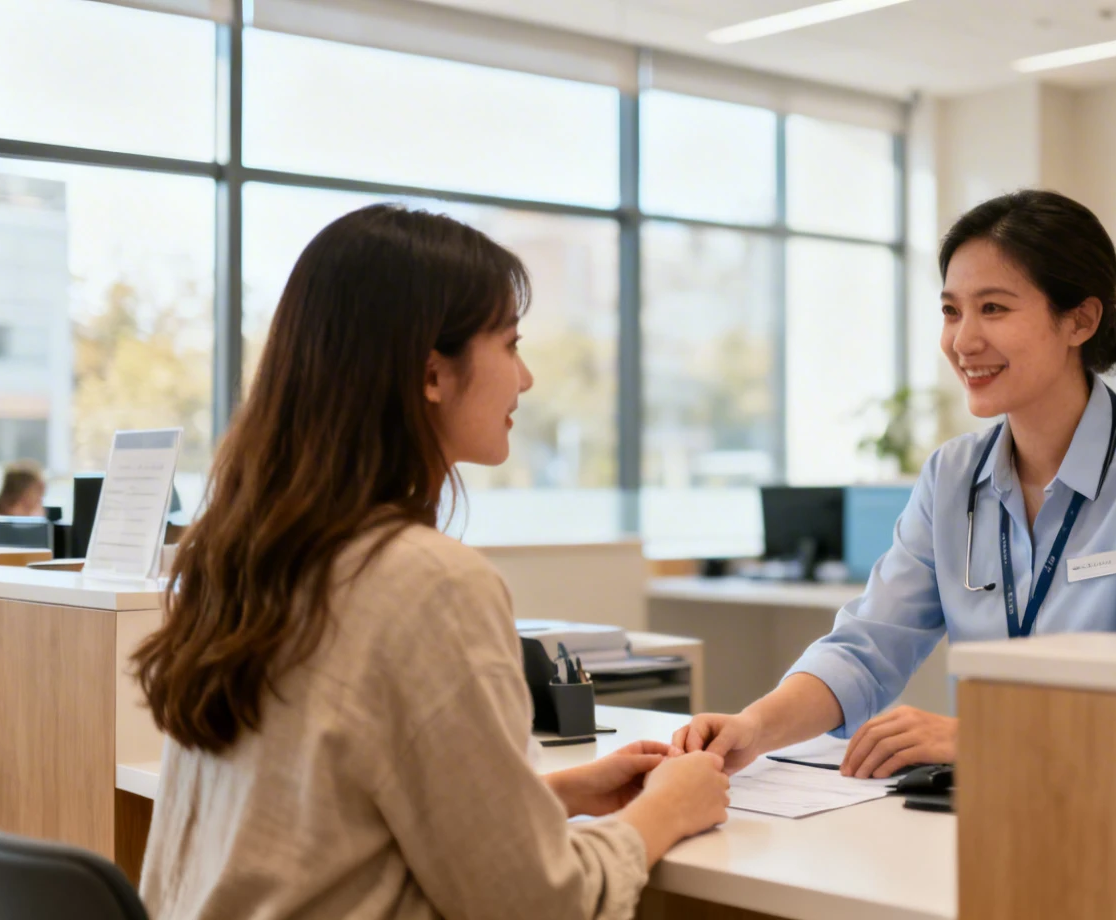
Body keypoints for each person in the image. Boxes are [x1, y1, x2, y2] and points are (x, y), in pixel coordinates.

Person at [131, 205, 729, 920]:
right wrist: (664, 812)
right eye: (509, 344)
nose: (527, 378)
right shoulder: (427, 581)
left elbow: (329, 819)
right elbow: (539, 905)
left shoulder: (236, 556)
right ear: (431, 374)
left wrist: (558, 796)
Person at [674, 190, 1116, 780]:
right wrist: (754, 726)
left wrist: (979, 736)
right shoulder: (953, 476)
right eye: (951, 311)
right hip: (986, 798)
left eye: (993, 308)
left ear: (1080, 320)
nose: (963, 342)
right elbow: (867, 648)